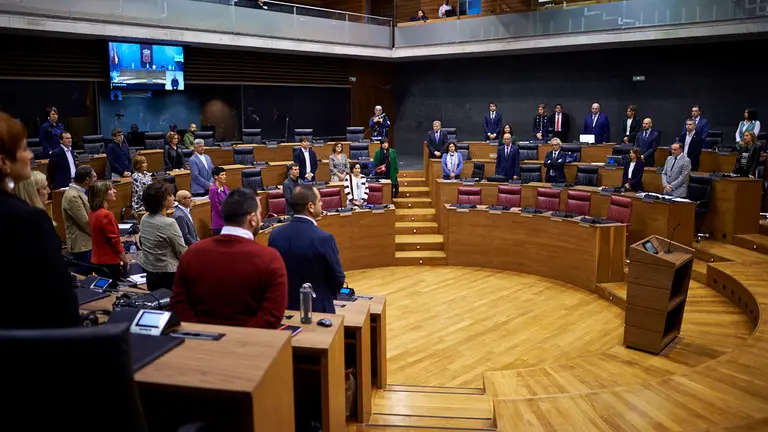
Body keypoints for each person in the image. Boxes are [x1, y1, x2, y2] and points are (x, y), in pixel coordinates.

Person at [0, 112, 80, 329]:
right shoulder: (27, 219)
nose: (31, 156)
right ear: (4, 162)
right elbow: (58, 294)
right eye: (24, 149)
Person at [171, 188, 287, 328]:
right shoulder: (270, 258)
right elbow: (272, 315)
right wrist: (236, 339)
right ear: (253, 219)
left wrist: (205, 333)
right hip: (250, 345)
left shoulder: (192, 253)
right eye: (259, 213)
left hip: (201, 344)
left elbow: (178, 305)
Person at [269, 186, 345, 314]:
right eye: (319, 200)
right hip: (317, 308)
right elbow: (338, 278)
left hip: (284, 308)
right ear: (310, 206)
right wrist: (323, 295)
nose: (321, 203)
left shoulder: (275, 235)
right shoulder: (324, 238)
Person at [139, 182, 187, 291]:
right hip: (168, 276)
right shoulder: (169, 223)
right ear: (163, 200)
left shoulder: (145, 218)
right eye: (170, 195)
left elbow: (141, 242)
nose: (173, 197)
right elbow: (182, 252)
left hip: (150, 272)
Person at [88, 180, 129, 281]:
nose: (115, 191)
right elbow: (114, 241)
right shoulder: (106, 215)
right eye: (111, 189)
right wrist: (125, 259)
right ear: (102, 194)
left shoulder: (92, 213)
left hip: (96, 260)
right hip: (109, 263)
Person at [63, 165, 97, 268]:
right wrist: (100, 237)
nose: (96, 179)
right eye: (94, 176)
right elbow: (85, 223)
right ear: (87, 180)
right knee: (84, 277)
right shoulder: (73, 196)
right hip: (81, 246)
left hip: (86, 243)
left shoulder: (79, 192)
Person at [209, 166, 229, 235]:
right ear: (216, 177)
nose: (225, 176)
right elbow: (217, 208)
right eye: (222, 175)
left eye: (225, 174)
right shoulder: (213, 190)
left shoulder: (225, 188)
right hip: (219, 223)